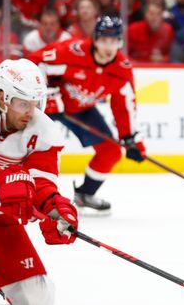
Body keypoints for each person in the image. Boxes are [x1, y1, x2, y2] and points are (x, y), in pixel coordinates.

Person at [28, 16, 147, 215]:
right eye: (103, 40)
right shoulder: (72, 51)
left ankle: (85, 195)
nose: (108, 46)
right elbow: (34, 63)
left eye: (114, 41)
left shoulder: (122, 70)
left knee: (111, 150)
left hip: (80, 110)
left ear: (120, 42)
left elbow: (124, 106)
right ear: (95, 39)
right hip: (46, 106)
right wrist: (47, 93)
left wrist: (130, 138)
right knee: (25, 142)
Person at [0, 58, 78, 305]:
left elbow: (42, 182)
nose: (31, 112)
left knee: (37, 302)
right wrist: (0, 178)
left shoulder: (42, 130)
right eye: (23, 104)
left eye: (35, 103)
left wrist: (55, 208)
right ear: (2, 97)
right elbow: (3, 181)